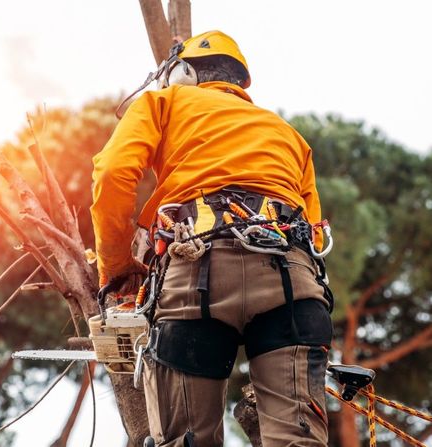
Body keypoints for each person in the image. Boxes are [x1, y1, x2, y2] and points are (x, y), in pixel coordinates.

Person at [90, 31, 334, 446]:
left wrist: (117, 269)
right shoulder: (288, 134)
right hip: (292, 282)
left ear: (182, 74)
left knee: (186, 440)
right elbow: (312, 230)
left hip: (197, 274)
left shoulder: (162, 102)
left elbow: (113, 174)